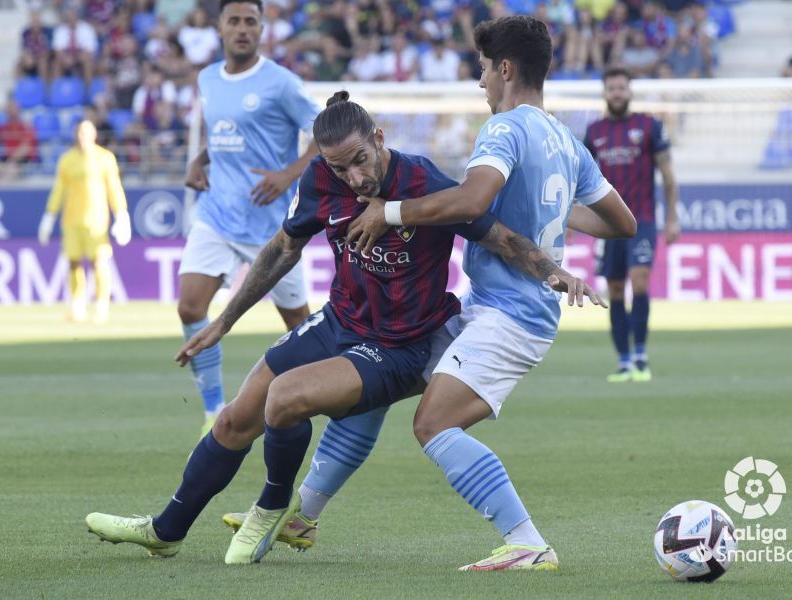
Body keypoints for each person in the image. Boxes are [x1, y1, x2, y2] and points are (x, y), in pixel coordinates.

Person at [84, 91, 604, 567]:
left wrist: (552, 271)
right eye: (340, 167)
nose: (354, 177)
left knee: (285, 399)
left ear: (379, 138)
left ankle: (273, 507)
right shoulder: (319, 179)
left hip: (398, 344)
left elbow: (500, 237)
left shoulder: (423, 184)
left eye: (360, 160)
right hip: (338, 320)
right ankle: (166, 531)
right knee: (235, 418)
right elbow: (282, 250)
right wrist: (223, 320)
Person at [345, 16, 636, 571]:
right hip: (492, 309)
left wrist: (391, 211)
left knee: (433, 424)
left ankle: (527, 543)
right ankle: (305, 512)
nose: (480, 81)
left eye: (482, 69)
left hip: (514, 314)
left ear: (505, 68)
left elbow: (471, 202)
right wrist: (556, 214)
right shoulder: (567, 141)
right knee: (379, 377)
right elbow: (623, 223)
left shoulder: (504, 128)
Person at [179, 0, 322, 435]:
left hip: (273, 229)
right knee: (190, 305)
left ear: (262, 30)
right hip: (217, 214)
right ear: (219, 28)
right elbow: (226, 131)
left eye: (250, 22)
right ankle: (212, 410)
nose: (242, 29)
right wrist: (200, 160)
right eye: (234, 21)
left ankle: (316, 399)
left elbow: (325, 132)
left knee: (299, 326)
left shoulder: (281, 83)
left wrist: (288, 174)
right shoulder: (207, 79)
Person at [583, 67, 679, 382]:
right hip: (607, 225)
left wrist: (672, 217)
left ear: (629, 91)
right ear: (605, 92)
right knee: (614, 289)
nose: (617, 93)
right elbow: (580, 178)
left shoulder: (649, 126)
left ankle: (640, 356)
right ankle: (623, 362)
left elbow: (668, 175)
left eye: (621, 88)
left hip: (642, 221)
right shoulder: (595, 132)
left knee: (639, 282)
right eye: (612, 88)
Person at [38, 120, 131, 323]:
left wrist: (121, 214)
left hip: (97, 220)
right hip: (71, 220)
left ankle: (101, 305)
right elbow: (59, 190)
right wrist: (49, 215)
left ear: (94, 134)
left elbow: (114, 187)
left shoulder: (105, 158)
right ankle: (76, 305)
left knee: (99, 262)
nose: (82, 137)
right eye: (79, 133)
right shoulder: (67, 159)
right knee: (73, 263)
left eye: (86, 133)